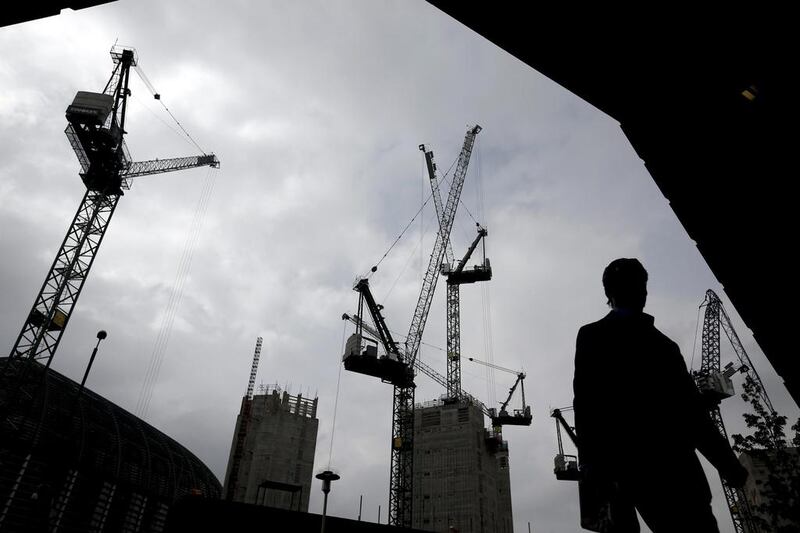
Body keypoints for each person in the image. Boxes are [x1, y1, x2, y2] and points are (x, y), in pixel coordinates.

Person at [573, 258, 748, 532]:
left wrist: (591, 471)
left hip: (625, 468)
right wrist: (728, 465)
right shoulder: (663, 346)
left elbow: (586, 408)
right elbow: (692, 414)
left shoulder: (594, 337)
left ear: (609, 295)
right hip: (670, 470)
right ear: (643, 292)